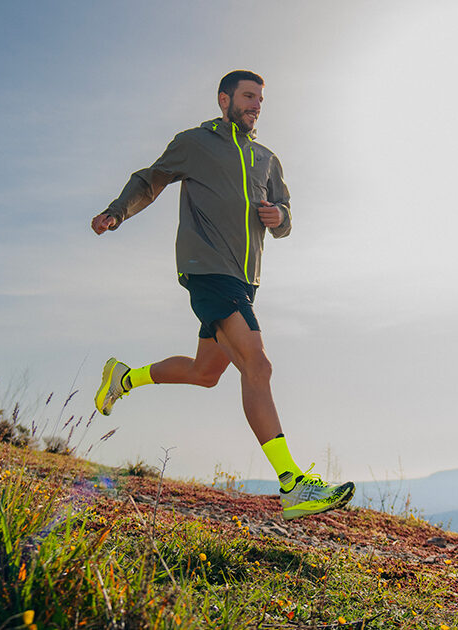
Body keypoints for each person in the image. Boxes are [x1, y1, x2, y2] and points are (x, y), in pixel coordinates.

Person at [90, 70, 354, 520]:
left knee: (205, 372)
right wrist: (117, 212)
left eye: (260, 100)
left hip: (244, 279)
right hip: (207, 268)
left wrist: (279, 217)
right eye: (248, 97)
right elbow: (149, 180)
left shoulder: (267, 159)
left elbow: (286, 215)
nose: (256, 105)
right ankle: (292, 484)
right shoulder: (196, 142)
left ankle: (124, 377)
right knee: (258, 362)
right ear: (224, 99)